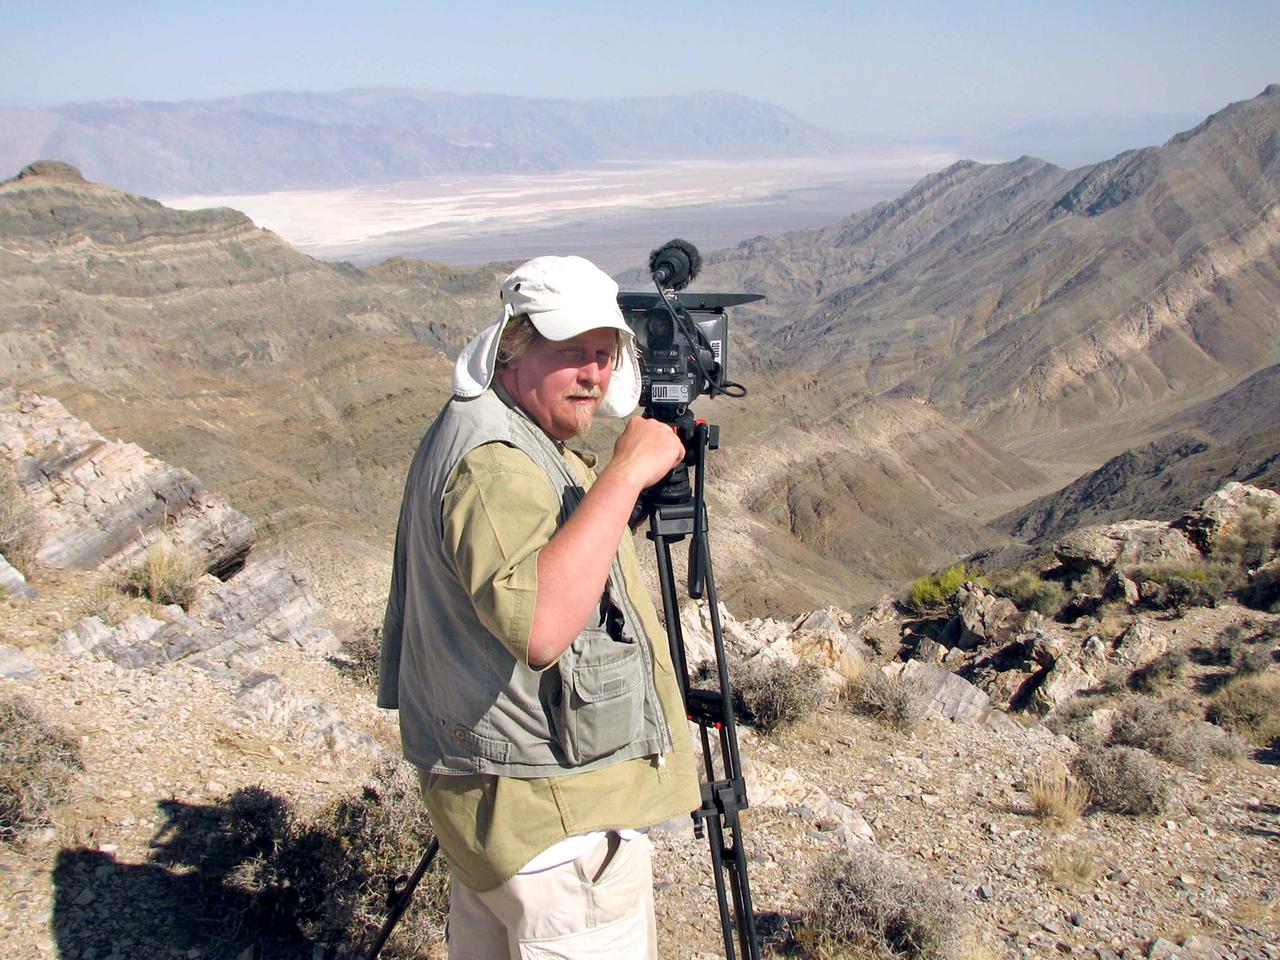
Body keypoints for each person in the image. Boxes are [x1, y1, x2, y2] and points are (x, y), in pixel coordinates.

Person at [378, 254, 700, 959]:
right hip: (557, 830)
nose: (593, 374)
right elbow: (542, 626)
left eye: (604, 354)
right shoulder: (495, 462)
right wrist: (625, 472)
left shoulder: (499, 426)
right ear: (514, 350)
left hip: (507, 818)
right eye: (571, 354)